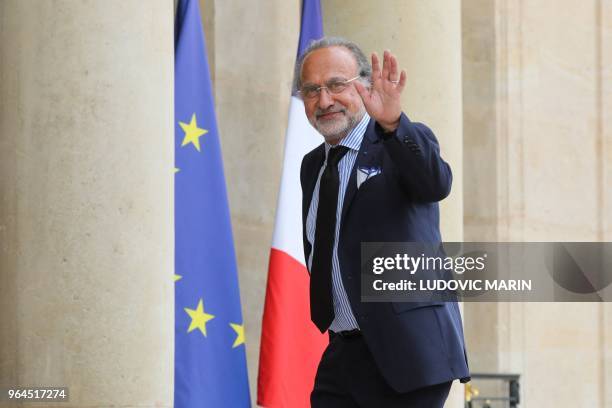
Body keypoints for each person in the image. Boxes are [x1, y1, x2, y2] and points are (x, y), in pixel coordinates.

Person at [297, 37, 470, 407]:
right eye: (312, 90)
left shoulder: (400, 140)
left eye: (337, 85)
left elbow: (435, 183)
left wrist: (393, 124)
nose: (324, 100)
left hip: (408, 351)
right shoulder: (312, 165)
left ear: (366, 85)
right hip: (343, 353)